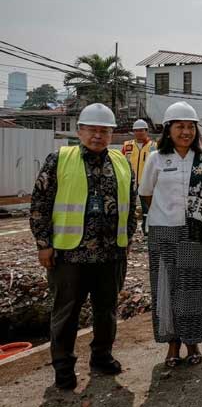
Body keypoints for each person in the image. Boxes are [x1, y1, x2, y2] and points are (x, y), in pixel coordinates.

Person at [30, 103, 136, 390]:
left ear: (112, 133)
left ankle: (102, 356)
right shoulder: (59, 159)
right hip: (69, 255)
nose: (98, 136)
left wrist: (127, 240)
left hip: (110, 254)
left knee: (107, 310)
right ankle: (63, 367)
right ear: (79, 131)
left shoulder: (122, 162)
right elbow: (40, 202)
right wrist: (43, 244)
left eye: (104, 130)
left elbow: (131, 204)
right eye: (92, 130)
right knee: (66, 313)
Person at [138, 101, 202, 368]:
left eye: (190, 127)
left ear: (196, 131)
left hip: (195, 232)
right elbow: (146, 193)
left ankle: (192, 340)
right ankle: (172, 342)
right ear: (168, 129)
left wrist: (194, 217)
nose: (185, 132)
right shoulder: (156, 159)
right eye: (179, 126)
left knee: (194, 288)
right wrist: (165, 214)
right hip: (163, 231)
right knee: (166, 286)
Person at [122, 119, 155, 237]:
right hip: (129, 182)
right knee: (128, 206)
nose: (139, 133)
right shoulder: (127, 146)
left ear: (146, 131)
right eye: (136, 131)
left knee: (147, 208)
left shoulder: (154, 147)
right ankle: (127, 229)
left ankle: (146, 228)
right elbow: (121, 162)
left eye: (141, 130)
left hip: (147, 182)